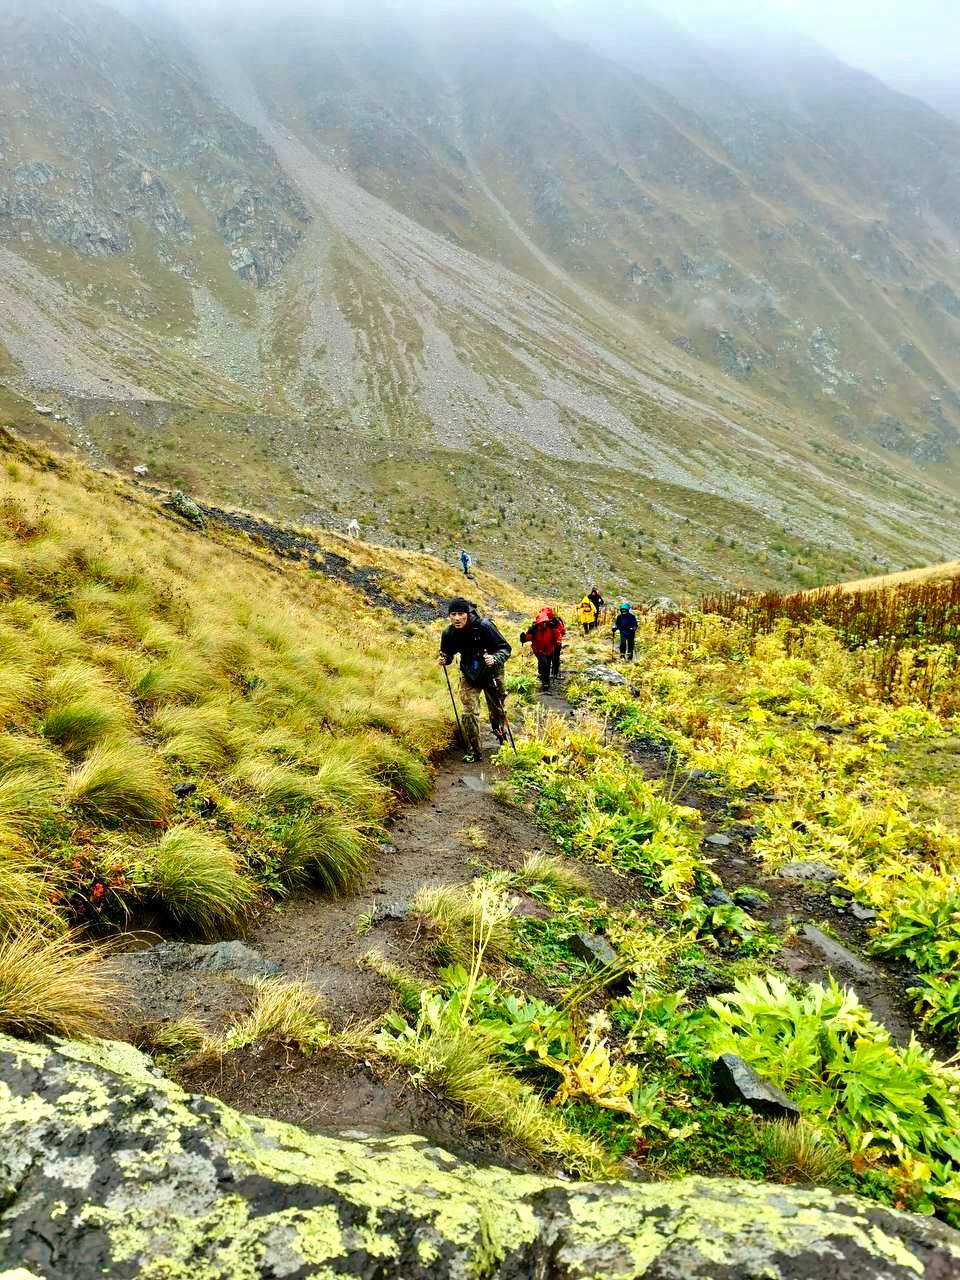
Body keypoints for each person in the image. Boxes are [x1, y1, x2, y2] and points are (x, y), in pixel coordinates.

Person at [438, 596, 511, 760]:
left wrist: (495, 658)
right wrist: (445, 659)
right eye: (453, 614)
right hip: (470, 674)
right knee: (468, 712)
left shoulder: (485, 626)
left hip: (493, 673)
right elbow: (447, 653)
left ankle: (503, 742)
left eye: (461, 614)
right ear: (449, 616)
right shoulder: (449, 633)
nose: (457, 618)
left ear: (467, 614)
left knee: (497, 711)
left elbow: (505, 648)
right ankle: (475, 751)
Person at [520, 606, 566, 691]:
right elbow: (529, 637)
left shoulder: (551, 627)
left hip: (549, 650)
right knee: (544, 662)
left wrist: (558, 641)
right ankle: (545, 682)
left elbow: (558, 634)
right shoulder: (534, 630)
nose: (543, 624)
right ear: (538, 623)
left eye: (545, 622)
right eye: (542, 622)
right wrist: (523, 638)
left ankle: (545, 679)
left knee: (547, 665)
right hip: (539, 650)